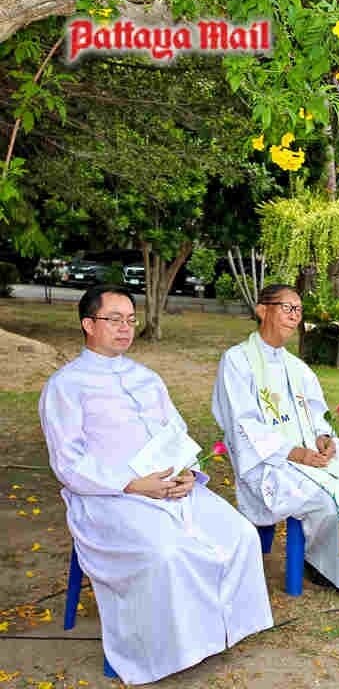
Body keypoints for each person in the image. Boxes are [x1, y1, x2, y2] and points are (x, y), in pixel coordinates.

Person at [39, 285, 273, 686]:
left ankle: (217, 632)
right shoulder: (65, 386)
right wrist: (131, 485)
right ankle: (167, 649)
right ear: (88, 324)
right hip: (109, 497)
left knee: (240, 535)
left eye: (131, 320)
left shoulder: (147, 378)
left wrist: (187, 472)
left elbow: (176, 431)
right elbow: (69, 462)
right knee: (166, 552)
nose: (125, 328)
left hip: (172, 485)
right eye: (114, 319)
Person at [212, 284, 339, 592]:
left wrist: (324, 438)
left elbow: (318, 414)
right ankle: (324, 564)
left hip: (311, 452)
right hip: (272, 461)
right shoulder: (237, 362)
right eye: (286, 307)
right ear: (262, 310)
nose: (294, 316)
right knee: (333, 495)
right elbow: (244, 425)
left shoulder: (297, 367)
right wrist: (297, 454)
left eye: (298, 309)